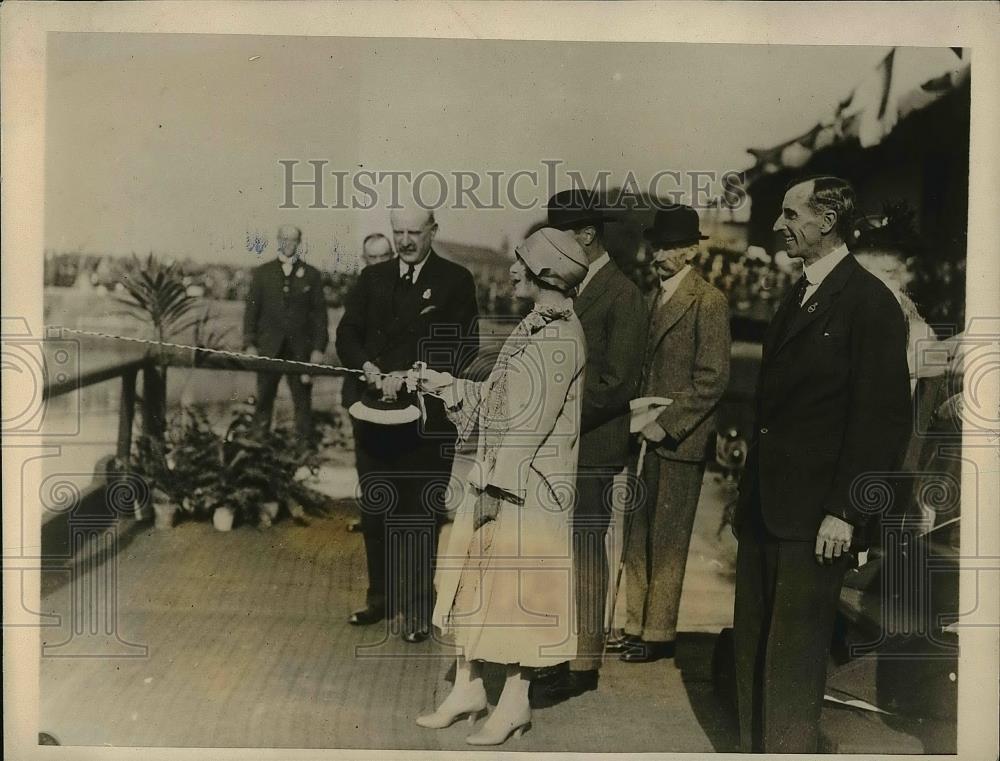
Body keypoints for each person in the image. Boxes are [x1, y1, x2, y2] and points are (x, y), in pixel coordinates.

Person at [732, 176, 912, 753]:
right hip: (768, 507)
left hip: (816, 518)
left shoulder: (870, 304)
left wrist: (846, 512)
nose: (778, 224)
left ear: (827, 221)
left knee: (794, 656)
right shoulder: (802, 292)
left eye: (790, 214)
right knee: (754, 647)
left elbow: (881, 421)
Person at [408, 227, 588, 746]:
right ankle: (467, 688)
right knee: (471, 581)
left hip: (526, 492)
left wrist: (491, 486)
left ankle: (515, 703)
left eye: (520, 263)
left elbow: (529, 425)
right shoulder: (536, 325)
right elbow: (499, 397)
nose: (510, 270)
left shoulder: (558, 337)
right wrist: (440, 383)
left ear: (546, 276)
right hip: (501, 479)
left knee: (515, 594)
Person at [335, 204, 479, 642]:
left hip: (426, 422)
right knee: (376, 511)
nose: (405, 241)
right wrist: (368, 367)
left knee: (419, 515)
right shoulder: (372, 279)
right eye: (399, 232)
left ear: (433, 231)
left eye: (415, 232)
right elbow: (346, 334)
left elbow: (463, 347)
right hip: (374, 416)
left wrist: (412, 375)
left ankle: (418, 609)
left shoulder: (455, 281)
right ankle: (380, 598)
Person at [536, 189, 647, 699]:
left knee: (584, 551)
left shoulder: (623, 295)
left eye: (559, 238)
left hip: (594, 449)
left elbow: (619, 383)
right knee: (557, 550)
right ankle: (556, 650)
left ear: (585, 236)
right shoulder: (569, 289)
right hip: (561, 447)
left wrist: (552, 415)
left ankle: (582, 665)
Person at [621, 205, 731, 663]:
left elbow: (712, 379)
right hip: (642, 436)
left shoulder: (709, 301)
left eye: (669, 246)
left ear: (690, 251)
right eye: (656, 245)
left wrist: (663, 425)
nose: (658, 254)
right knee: (637, 535)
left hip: (677, 443)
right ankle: (634, 624)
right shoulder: (651, 298)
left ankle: (659, 633)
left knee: (667, 541)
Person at [242, 224, 328, 440]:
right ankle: (258, 448)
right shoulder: (263, 273)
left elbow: (319, 315)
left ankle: (303, 452)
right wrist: (250, 343)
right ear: (278, 240)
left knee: (302, 403)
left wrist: (318, 348)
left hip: (300, 350)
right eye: (284, 239)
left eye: (293, 240)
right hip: (268, 347)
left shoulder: (312, 275)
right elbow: (251, 311)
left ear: (299, 243)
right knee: (264, 400)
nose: (288, 244)